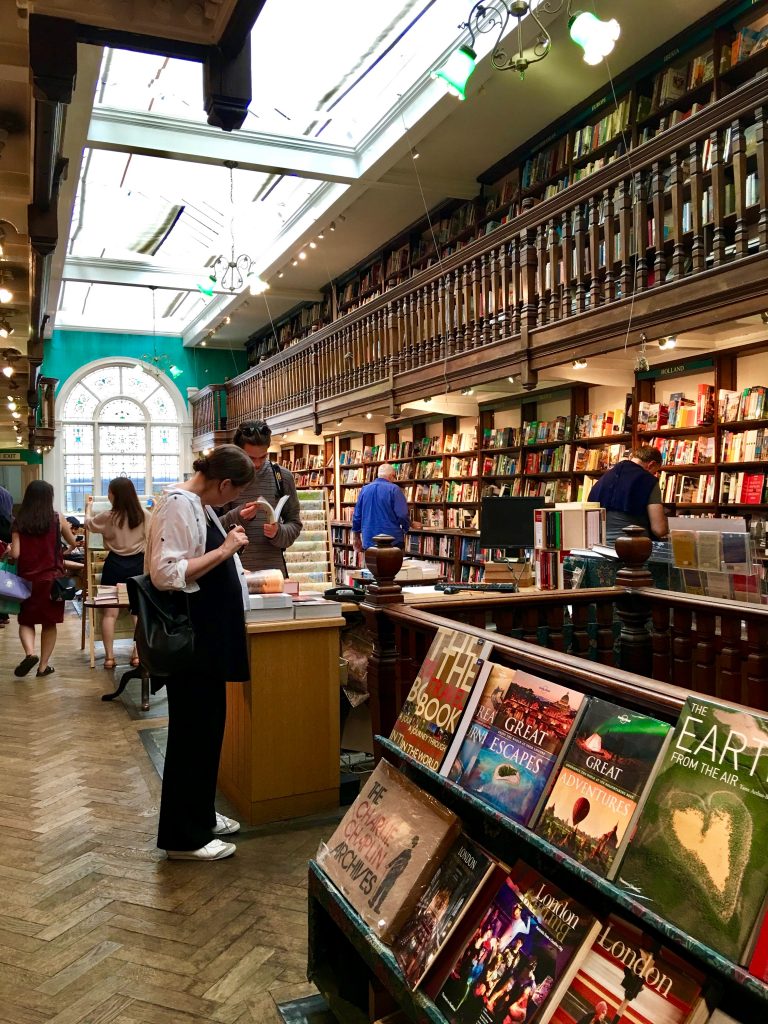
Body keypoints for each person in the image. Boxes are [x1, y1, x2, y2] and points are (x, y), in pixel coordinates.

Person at [145, 444, 253, 861]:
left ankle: (202, 815)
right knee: (192, 735)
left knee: (208, 732)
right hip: (194, 642)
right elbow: (166, 572)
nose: (233, 500)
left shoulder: (196, 505)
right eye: (234, 492)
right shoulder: (177, 504)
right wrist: (225, 550)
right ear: (223, 483)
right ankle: (182, 838)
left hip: (208, 640)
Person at [10, 480, 77, 677]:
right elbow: (73, 543)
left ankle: (30, 653)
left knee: (26, 621)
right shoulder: (57, 519)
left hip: (26, 581)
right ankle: (43, 666)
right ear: (49, 498)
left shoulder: (19, 521)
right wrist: (61, 552)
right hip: (52, 581)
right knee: (49, 623)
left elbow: (15, 554)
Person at [219, 419, 302, 575]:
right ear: (239, 451)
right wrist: (237, 516)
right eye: (251, 458)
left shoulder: (282, 477)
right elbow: (209, 532)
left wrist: (278, 532)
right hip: (234, 573)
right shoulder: (224, 478)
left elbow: (295, 524)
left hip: (274, 574)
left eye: (263, 457)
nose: (257, 464)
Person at [86, 478, 148, 670]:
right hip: (139, 565)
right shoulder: (144, 515)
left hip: (114, 565)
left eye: (109, 492)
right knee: (138, 612)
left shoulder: (107, 517)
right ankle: (137, 656)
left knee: (109, 613)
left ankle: (109, 658)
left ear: (114, 495)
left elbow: (88, 524)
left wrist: (88, 508)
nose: (107, 495)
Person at [588, 446, 668, 545]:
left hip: (598, 547)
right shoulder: (648, 480)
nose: (654, 475)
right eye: (655, 472)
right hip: (633, 549)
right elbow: (659, 529)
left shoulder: (603, 479)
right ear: (651, 465)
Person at [352, 463, 410, 553]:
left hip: (369, 539)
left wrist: (356, 537)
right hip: (392, 540)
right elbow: (402, 515)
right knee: (395, 566)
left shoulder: (364, 490)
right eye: (394, 477)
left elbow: (357, 516)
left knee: (371, 566)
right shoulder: (394, 489)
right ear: (391, 476)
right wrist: (406, 528)